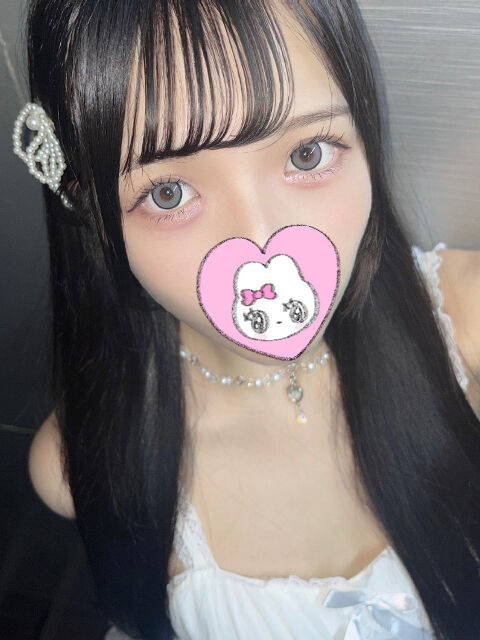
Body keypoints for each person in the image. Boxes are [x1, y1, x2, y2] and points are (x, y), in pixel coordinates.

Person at [19, 0, 480, 639]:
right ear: (93, 215)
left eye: (308, 153)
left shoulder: (466, 321)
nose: (263, 246)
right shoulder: (84, 466)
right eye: (168, 194)